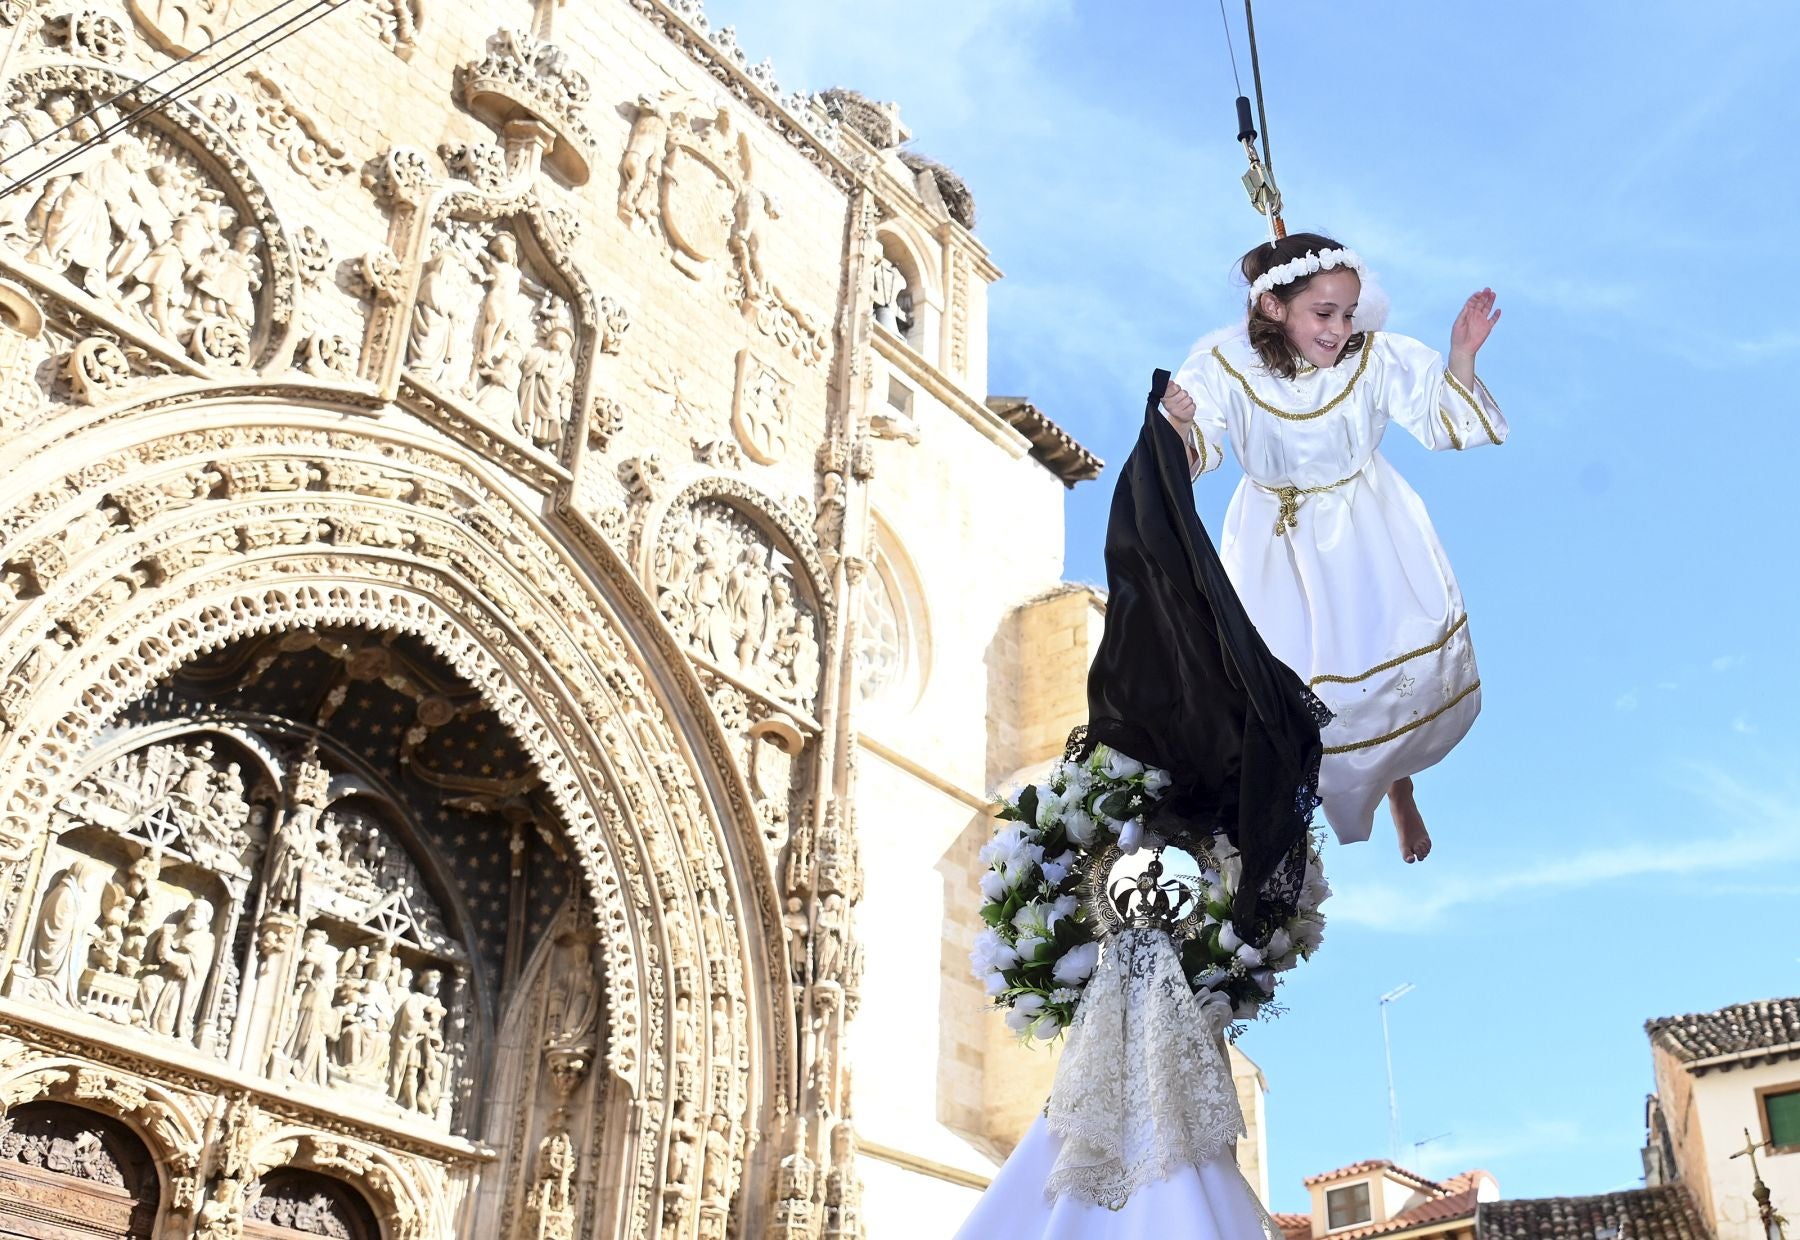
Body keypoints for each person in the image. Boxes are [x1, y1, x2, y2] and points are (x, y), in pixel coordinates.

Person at [1160, 232, 1505, 862]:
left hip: (1365, 532)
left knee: (1381, 662)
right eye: (1324, 313)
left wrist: (1461, 357)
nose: (1340, 328)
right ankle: (1299, 820)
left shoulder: (1370, 359)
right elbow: (1192, 456)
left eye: (1348, 313)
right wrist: (1181, 426)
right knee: (1293, 687)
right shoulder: (1223, 368)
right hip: (1275, 544)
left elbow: (1438, 413)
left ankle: (1400, 787)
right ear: (1273, 308)